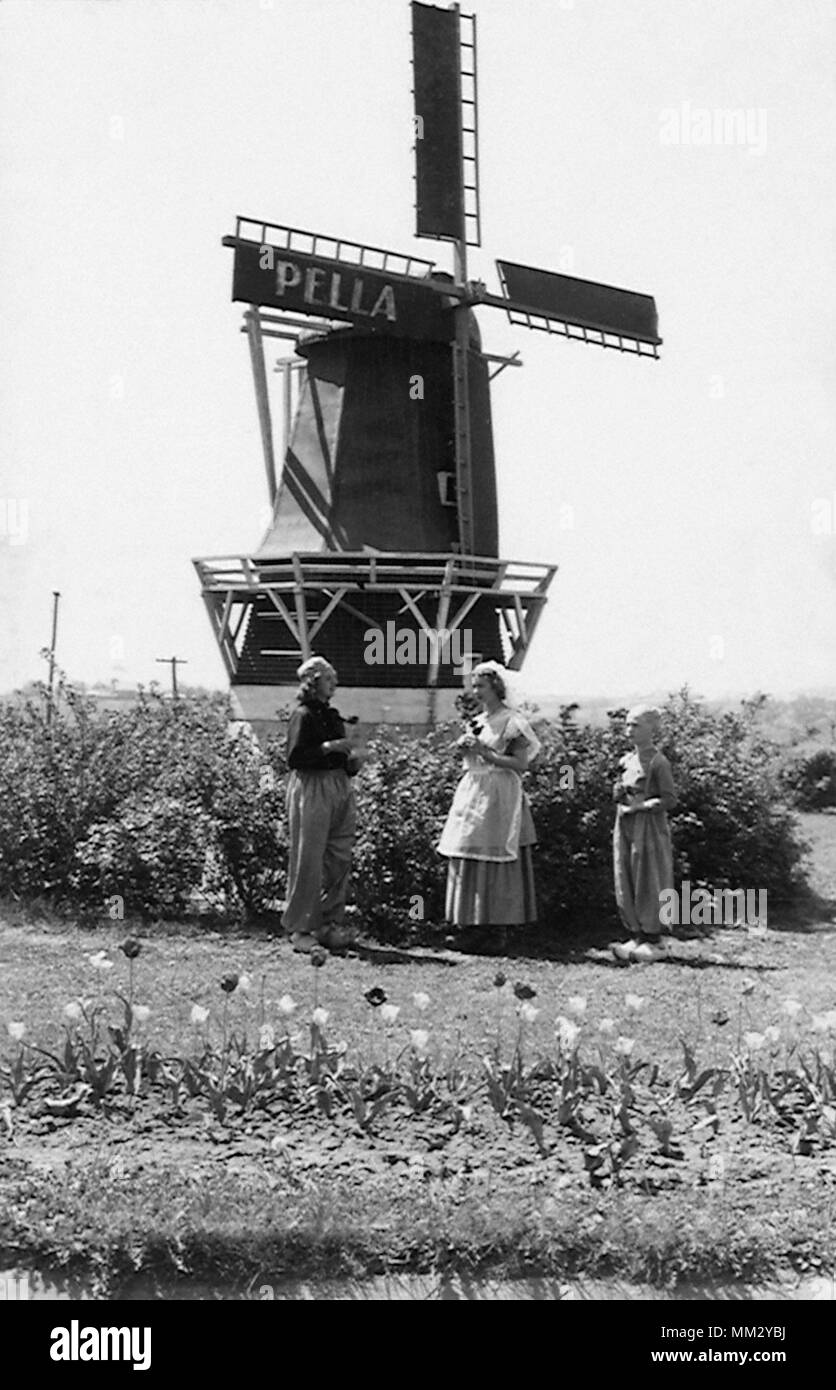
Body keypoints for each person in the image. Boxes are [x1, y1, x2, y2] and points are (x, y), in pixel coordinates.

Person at [438, 661, 541, 952]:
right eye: (474, 686)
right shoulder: (480, 720)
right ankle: (471, 925)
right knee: (468, 851)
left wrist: (485, 752)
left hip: (499, 794)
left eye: (480, 685)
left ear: (496, 687)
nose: (475, 691)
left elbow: (520, 764)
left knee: (494, 856)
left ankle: (495, 930)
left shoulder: (511, 722)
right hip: (475, 789)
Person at [282, 655, 366, 953]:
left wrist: (353, 760)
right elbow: (295, 758)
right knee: (310, 857)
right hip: (313, 785)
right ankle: (301, 928)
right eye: (330, 678)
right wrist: (328, 747)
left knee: (339, 856)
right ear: (314, 681)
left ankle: (328, 923)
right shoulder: (303, 715)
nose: (335, 683)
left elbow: (343, 758)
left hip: (339, 785)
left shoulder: (333, 716)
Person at [612, 704, 677, 962]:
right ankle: (636, 934)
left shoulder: (659, 762)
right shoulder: (625, 761)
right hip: (624, 825)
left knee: (650, 877)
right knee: (625, 873)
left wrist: (640, 807)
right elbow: (618, 792)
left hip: (649, 827)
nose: (629, 730)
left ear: (652, 728)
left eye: (636, 725)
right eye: (627, 724)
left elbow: (669, 799)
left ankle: (655, 940)